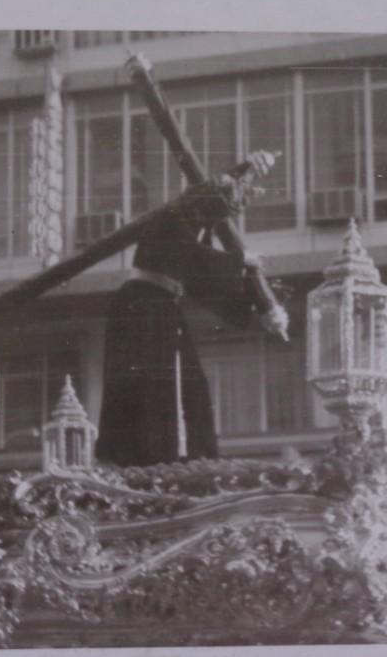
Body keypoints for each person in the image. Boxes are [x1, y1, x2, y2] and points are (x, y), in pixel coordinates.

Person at [95, 157, 273, 467]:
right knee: (154, 388)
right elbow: (192, 259)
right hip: (143, 308)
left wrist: (255, 305)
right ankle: (152, 460)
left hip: (162, 309)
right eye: (228, 204)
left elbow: (202, 284)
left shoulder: (197, 229)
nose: (227, 214)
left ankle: (192, 458)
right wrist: (239, 260)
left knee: (188, 385)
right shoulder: (173, 217)